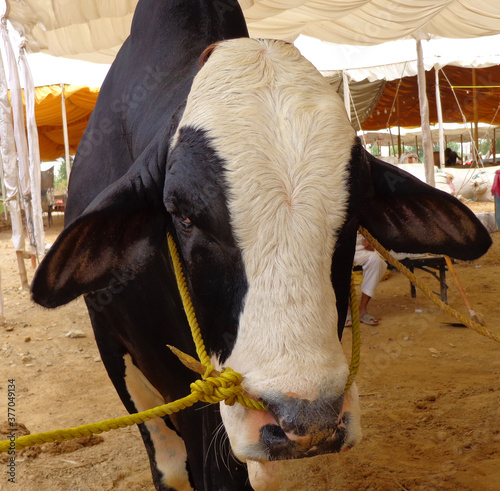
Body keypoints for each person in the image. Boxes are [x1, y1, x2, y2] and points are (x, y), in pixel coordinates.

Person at [346, 232, 387, 326]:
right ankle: (346, 310)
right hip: (337, 246)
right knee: (337, 267)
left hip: (360, 246)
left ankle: (362, 310)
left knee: (376, 262)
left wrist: (369, 237)